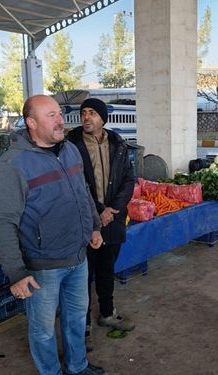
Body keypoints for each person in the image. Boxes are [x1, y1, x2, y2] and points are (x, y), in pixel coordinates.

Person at [0, 95, 107, 375]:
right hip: (43, 266)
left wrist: (93, 225)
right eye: (51, 115)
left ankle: (78, 367)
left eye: (59, 113)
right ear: (31, 123)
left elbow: (83, 192)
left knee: (76, 319)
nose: (60, 121)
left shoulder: (70, 150)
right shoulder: (13, 165)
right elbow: (3, 222)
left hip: (78, 256)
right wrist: (16, 273)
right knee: (43, 330)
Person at [67, 98, 136, 352]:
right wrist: (99, 213)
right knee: (82, 277)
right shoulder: (70, 145)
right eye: (83, 113)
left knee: (107, 269)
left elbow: (129, 179)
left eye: (92, 113)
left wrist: (113, 209)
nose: (86, 117)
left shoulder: (117, 143)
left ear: (102, 118)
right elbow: (75, 185)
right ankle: (82, 326)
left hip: (113, 220)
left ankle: (107, 313)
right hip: (85, 221)